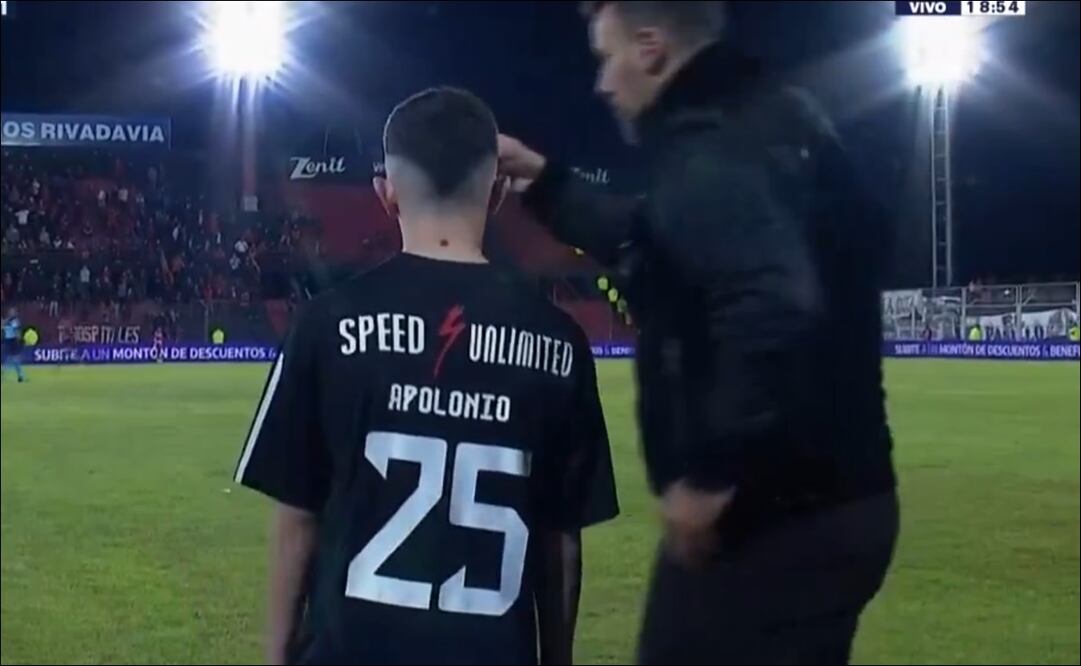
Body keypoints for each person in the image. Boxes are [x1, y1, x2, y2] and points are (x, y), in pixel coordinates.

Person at [498, 2, 897, 663]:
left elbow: (770, 301)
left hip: (771, 518)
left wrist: (708, 475)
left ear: (650, 48)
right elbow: (672, 243)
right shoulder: (776, 116)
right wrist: (547, 185)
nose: (601, 83)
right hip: (849, 499)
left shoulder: (708, 147)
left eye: (606, 56)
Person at [234, 87, 619, 666]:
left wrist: (277, 657)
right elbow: (559, 538)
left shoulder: (324, 324)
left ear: (385, 196)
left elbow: (297, 520)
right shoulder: (560, 342)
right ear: (495, 195)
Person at [2, 307, 28, 383]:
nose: (13, 313)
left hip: (9, 341)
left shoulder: (7, 321)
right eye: (12, 312)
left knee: (11, 359)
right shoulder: (14, 321)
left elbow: (4, 327)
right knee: (14, 359)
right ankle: (20, 376)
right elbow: (16, 331)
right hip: (12, 341)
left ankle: (19, 376)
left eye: (13, 312)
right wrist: (21, 340)